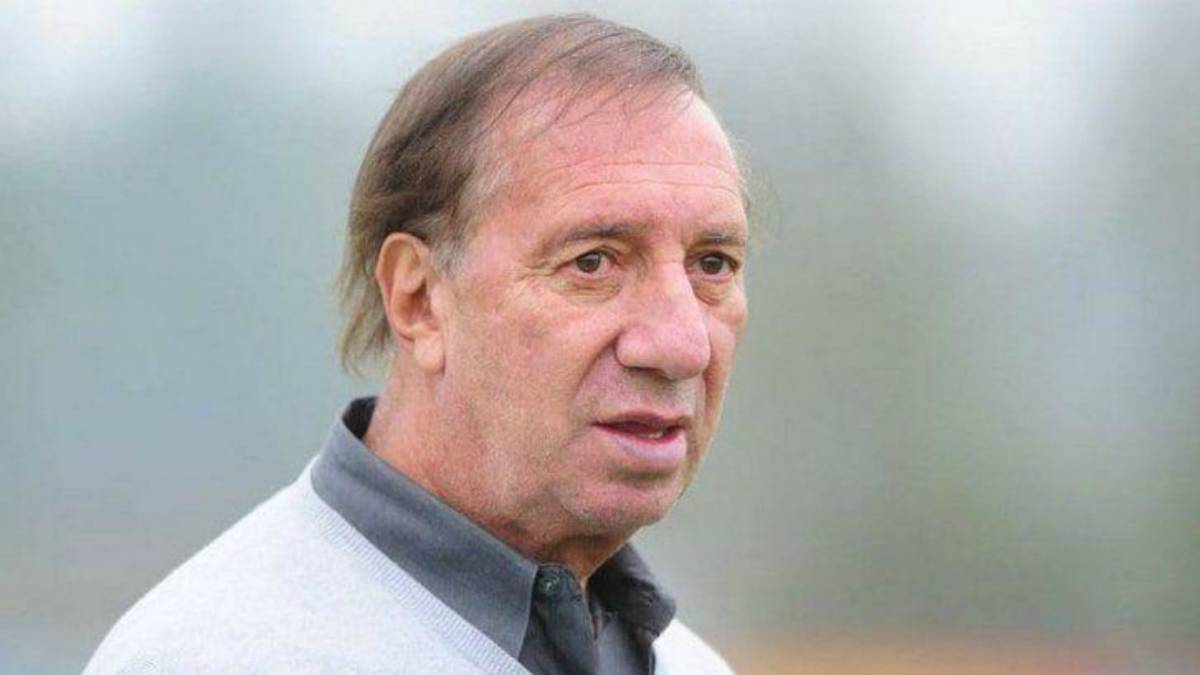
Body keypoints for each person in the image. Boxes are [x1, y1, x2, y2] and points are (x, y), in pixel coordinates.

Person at [86, 14, 748, 674]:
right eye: (593, 262)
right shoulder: (218, 658)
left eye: (712, 264)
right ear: (419, 299)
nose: (683, 345)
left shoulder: (692, 665)